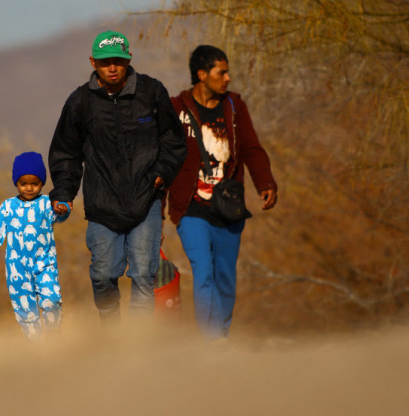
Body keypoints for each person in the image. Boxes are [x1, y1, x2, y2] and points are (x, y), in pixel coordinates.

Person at [48, 30, 187, 322]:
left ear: (129, 60)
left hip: (145, 200)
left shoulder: (151, 92)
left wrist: (161, 174)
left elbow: (174, 141)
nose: (112, 67)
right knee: (102, 276)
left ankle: (135, 347)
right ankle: (112, 336)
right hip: (101, 206)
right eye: (104, 62)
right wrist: (63, 193)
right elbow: (66, 154)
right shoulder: (80, 102)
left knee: (143, 276)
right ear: (92, 62)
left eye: (118, 61)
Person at [165, 45, 278, 339]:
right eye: (221, 72)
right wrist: (154, 208)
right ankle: (209, 344)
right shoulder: (175, 109)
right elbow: (160, 156)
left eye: (228, 72)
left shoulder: (234, 108)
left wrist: (265, 183)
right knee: (203, 271)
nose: (228, 78)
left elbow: (252, 149)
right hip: (190, 208)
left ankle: (221, 338)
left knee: (224, 278)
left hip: (229, 206)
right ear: (202, 75)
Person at [0, 152, 70, 340]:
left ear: (41, 183)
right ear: (16, 183)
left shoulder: (46, 204)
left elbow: (59, 215)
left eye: (34, 183)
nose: (29, 188)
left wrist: (63, 209)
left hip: (45, 264)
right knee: (25, 311)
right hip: (17, 268)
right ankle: (34, 348)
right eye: (23, 183)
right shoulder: (8, 207)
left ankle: (54, 342)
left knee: (51, 300)